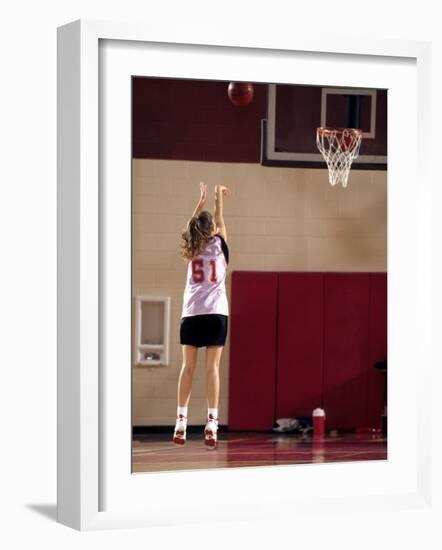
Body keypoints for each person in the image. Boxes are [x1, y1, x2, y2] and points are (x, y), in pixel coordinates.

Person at [173, 182, 231, 450]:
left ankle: (181, 422)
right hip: (216, 313)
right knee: (212, 369)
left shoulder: (191, 247)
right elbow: (219, 218)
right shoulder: (220, 245)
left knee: (188, 368)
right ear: (214, 230)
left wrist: (199, 202)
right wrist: (218, 195)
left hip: (192, 314)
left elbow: (191, 226)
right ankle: (212, 423)